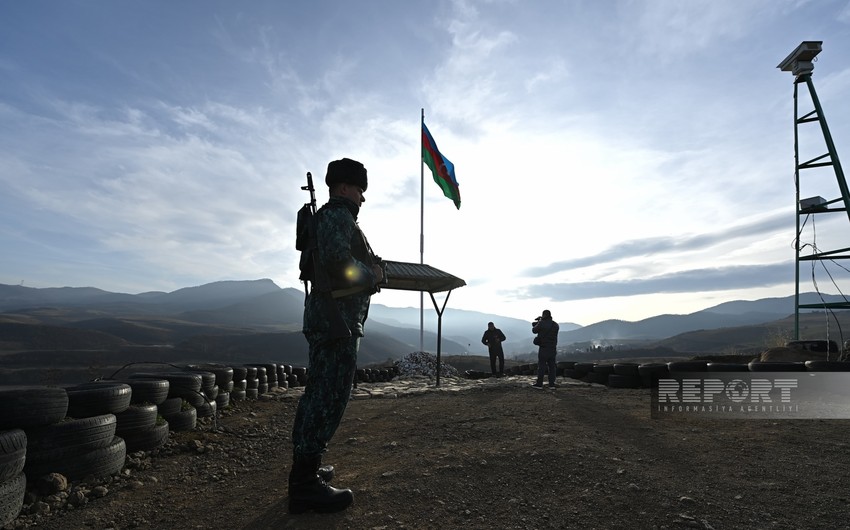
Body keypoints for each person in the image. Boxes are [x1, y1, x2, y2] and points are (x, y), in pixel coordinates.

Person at [289, 157, 384, 514]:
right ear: (344, 187)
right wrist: (371, 274)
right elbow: (337, 263)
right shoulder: (337, 216)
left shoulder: (332, 217)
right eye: (360, 189)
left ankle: (307, 468)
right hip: (336, 322)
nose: (362, 197)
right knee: (328, 397)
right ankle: (303, 485)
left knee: (319, 394)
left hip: (332, 320)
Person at [531, 309, 559, 389]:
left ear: (544, 315)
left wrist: (539, 321)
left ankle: (539, 384)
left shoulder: (542, 323)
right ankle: (552, 384)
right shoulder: (556, 325)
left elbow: (534, 330)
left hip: (544, 348)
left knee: (542, 366)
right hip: (553, 348)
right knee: (552, 367)